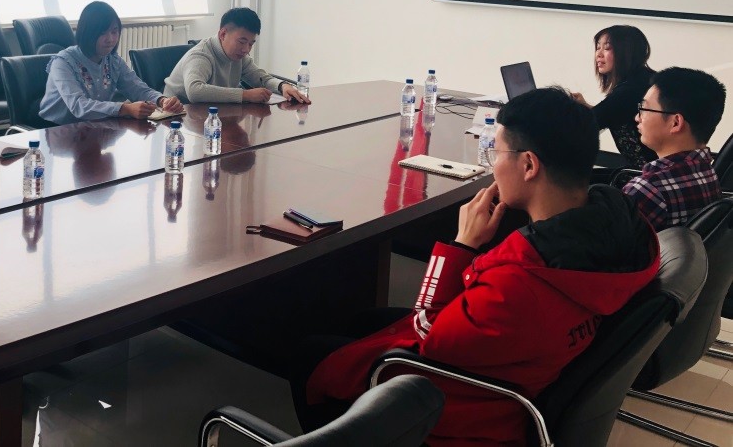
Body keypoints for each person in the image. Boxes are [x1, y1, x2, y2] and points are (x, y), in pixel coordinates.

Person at [291, 87, 658, 446]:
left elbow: (428, 331)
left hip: (472, 410)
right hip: (524, 368)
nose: (492, 164)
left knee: (312, 355)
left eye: (496, 151)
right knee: (363, 322)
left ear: (529, 165)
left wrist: (461, 246)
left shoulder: (518, 279)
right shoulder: (623, 231)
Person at [39, 1, 184, 124]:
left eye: (114, 32)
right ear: (87, 33)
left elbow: (137, 89)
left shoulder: (113, 60)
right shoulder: (63, 62)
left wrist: (162, 100)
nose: (110, 39)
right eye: (102, 33)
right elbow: (78, 105)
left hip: (94, 126)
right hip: (54, 130)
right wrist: (125, 109)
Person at [623, 66, 726, 231]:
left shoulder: (646, 191)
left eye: (643, 109)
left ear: (676, 123)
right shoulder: (708, 173)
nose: (637, 117)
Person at [163, 7, 310, 105]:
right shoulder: (201, 55)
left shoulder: (239, 56)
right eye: (242, 42)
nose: (246, 49)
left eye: (251, 43)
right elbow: (195, 91)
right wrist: (245, 95)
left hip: (212, 115)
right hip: (179, 119)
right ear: (223, 34)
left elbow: (261, 78)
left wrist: (282, 86)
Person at [571, 24, 657, 168]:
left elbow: (585, 125)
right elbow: (612, 113)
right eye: (598, 47)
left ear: (627, 52)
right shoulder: (645, 77)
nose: (598, 54)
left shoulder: (628, 91)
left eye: (607, 48)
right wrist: (587, 107)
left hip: (649, 174)